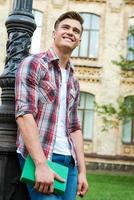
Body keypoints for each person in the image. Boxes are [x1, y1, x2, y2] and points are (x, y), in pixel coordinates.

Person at [15, 11, 88, 200]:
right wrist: (40, 164)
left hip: (69, 163)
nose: (70, 32)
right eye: (65, 27)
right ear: (54, 33)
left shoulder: (74, 79)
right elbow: (24, 114)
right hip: (41, 156)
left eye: (76, 31)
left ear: (79, 40)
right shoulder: (34, 64)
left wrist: (82, 171)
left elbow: (75, 127)